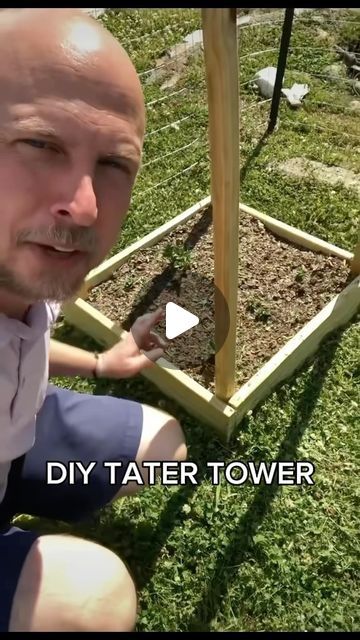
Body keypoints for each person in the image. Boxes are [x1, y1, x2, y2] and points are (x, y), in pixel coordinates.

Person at [0, 7, 187, 632]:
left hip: (15, 433)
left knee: (168, 448)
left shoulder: (22, 273)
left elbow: (24, 341)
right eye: (39, 143)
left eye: (113, 165)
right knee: (92, 600)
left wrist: (103, 363)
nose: (84, 207)